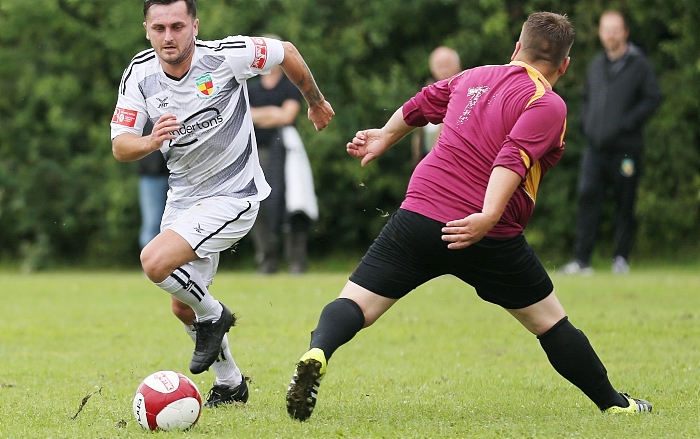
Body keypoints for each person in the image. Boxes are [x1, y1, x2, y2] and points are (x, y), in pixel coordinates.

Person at [286, 12, 651, 422]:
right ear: (564, 65)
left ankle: (319, 349)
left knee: (356, 302)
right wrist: (487, 215)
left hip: (420, 214)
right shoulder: (547, 102)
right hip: (487, 235)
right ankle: (616, 404)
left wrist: (385, 136)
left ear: (517, 47)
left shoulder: (474, 75)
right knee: (550, 322)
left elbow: (422, 104)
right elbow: (512, 157)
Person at [111, 0, 333, 408]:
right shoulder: (139, 73)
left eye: (178, 26)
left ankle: (216, 314)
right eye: (159, 28)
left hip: (236, 194)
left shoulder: (227, 57)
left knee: (154, 263)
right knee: (183, 306)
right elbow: (121, 146)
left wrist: (314, 100)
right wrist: (151, 140)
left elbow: (287, 51)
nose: (169, 36)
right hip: (184, 199)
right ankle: (231, 384)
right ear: (146, 29)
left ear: (195, 25)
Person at [559, 10, 661, 276]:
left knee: (625, 201)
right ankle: (582, 261)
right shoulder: (596, 64)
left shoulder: (640, 65)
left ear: (625, 32)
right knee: (587, 198)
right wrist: (585, 125)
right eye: (606, 29)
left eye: (615, 29)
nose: (610, 35)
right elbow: (587, 99)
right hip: (595, 148)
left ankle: (621, 258)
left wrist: (627, 123)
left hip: (626, 149)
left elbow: (652, 99)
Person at [247, 48, 318, 275]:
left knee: (294, 204)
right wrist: (273, 113)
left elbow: (287, 116)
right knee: (257, 206)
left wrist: (258, 115)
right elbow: (244, 115)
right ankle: (267, 261)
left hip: (287, 153)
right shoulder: (251, 89)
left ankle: (297, 261)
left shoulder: (289, 87)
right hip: (257, 153)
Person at [411, 46, 462, 166]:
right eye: (439, 66)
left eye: (447, 65)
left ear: (458, 65)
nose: (443, 70)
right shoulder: (428, 92)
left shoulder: (466, 89)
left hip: (452, 162)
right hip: (427, 160)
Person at [137, 120, 169, 250]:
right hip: (151, 174)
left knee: (181, 222)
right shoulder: (142, 102)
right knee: (152, 223)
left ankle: (179, 267)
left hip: (183, 173)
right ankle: (151, 267)